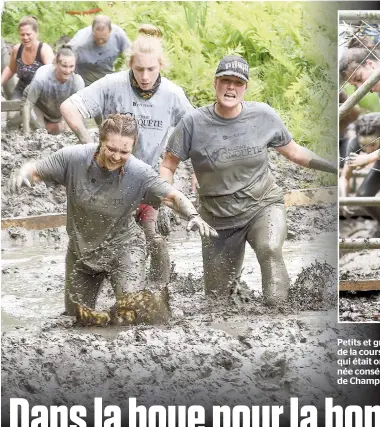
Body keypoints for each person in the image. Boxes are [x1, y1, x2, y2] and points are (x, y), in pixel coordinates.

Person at [160, 55, 337, 306]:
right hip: (216, 219)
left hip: (262, 205)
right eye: (225, 81)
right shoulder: (193, 123)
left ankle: (278, 315)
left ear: (245, 87)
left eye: (237, 83)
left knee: (269, 248)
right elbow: (168, 164)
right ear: (215, 83)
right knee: (217, 302)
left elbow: (295, 152)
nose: (231, 87)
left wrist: (334, 167)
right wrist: (167, 196)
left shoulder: (263, 116)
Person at [9, 114, 216, 319]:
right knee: (75, 318)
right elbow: (35, 170)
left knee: (132, 312)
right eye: (111, 149)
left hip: (124, 248)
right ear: (101, 141)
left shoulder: (139, 172)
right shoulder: (73, 158)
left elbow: (171, 196)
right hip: (82, 251)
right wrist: (22, 174)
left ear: (133, 147)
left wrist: (192, 214)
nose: (116, 157)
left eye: (124, 151)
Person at [60, 24, 194, 284]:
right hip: (109, 176)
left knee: (154, 236)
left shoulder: (173, 95)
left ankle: (159, 288)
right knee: (102, 237)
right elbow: (68, 107)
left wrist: (186, 167)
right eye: (139, 68)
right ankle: (105, 282)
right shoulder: (112, 85)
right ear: (130, 64)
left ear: (161, 66)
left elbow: (196, 130)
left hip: (147, 178)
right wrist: (90, 146)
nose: (145, 76)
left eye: (151, 69)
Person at [21, 45, 85, 135]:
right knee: (39, 130)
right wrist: (26, 132)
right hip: (37, 105)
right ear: (56, 63)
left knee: (61, 130)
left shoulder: (77, 81)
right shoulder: (42, 77)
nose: (67, 70)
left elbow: (80, 109)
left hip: (57, 109)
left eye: (71, 66)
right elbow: (28, 105)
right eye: (64, 66)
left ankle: (53, 126)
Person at [339, 113, 380, 235]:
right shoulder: (354, 143)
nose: (368, 149)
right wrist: (344, 198)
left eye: (373, 145)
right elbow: (345, 176)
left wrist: (368, 159)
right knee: (364, 196)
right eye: (364, 146)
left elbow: (370, 157)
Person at [68, 15, 131, 87]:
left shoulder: (118, 34)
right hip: (85, 78)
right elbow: (64, 57)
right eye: (97, 38)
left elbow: (130, 55)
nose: (100, 41)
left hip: (106, 76)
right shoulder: (79, 43)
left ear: (110, 31)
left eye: (103, 39)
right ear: (92, 31)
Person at [1, 16, 54, 99]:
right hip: (21, 89)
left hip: (40, 91)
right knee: (13, 110)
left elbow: (52, 75)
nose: (25, 38)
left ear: (36, 33)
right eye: (22, 34)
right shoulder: (17, 49)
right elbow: (11, 69)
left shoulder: (44, 50)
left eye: (28, 34)